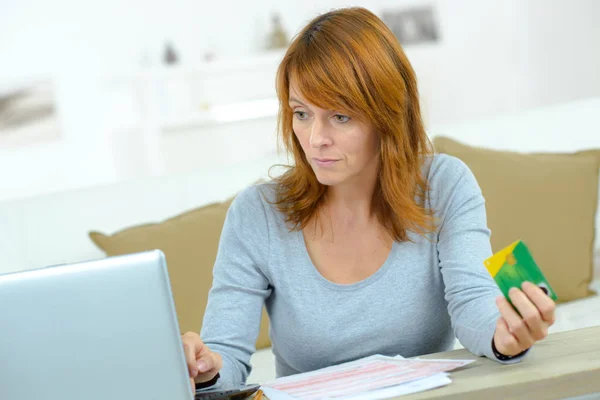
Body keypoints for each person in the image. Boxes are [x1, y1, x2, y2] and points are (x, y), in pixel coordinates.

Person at [181, 7, 556, 390]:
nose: (315, 139)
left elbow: (473, 298)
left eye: (340, 117)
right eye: (302, 113)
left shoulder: (444, 185)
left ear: (387, 115)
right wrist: (206, 368)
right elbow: (224, 354)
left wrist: (504, 335)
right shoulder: (256, 214)